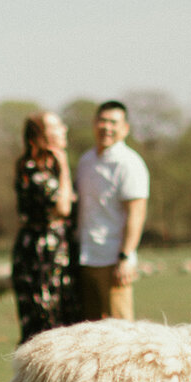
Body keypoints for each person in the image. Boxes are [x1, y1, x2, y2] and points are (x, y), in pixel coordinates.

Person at [72, 100, 149, 321]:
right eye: (102, 121)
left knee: (120, 330)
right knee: (90, 329)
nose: (107, 127)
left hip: (113, 257)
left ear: (125, 128)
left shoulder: (129, 164)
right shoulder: (87, 161)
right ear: (94, 123)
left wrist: (126, 256)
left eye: (113, 122)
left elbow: (136, 212)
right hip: (86, 256)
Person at [9, 110, 77, 342]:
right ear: (37, 138)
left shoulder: (49, 168)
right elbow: (63, 208)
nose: (63, 130)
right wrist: (65, 168)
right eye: (56, 127)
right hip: (39, 256)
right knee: (43, 324)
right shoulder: (31, 169)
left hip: (57, 252)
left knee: (62, 322)